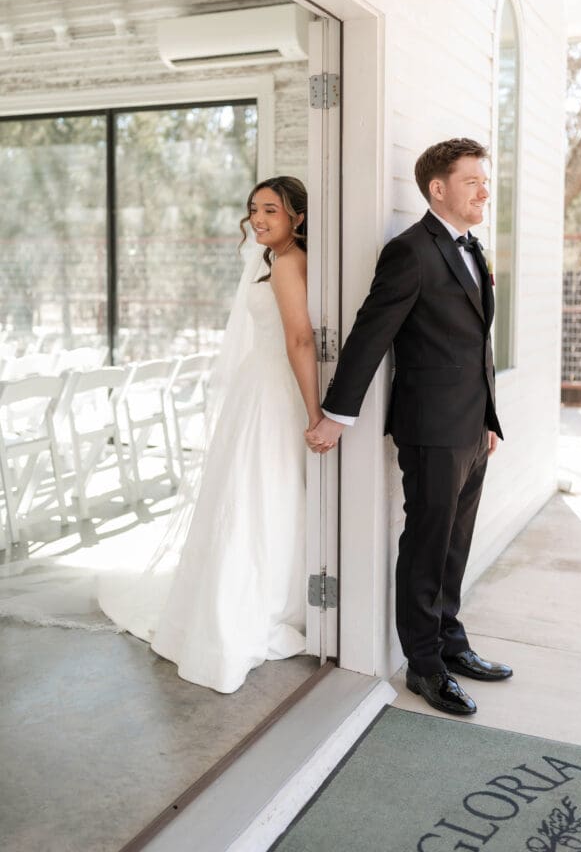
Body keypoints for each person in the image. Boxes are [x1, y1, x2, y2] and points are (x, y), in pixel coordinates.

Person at [305, 138, 512, 715]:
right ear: (438, 188)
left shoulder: (473, 248)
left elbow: (477, 343)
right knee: (427, 545)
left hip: (473, 427)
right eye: (473, 181)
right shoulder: (409, 251)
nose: (484, 191)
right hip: (431, 427)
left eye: (484, 180)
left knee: (455, 546)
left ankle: (451, 644)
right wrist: (337, 414)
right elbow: (372, 333)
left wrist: (490, 419)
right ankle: (424, 667)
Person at [99, 176, 322, 694]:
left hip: (274, 392)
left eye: (271, 209)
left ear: (299, 217)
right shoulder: (274, 260)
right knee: (253, 495)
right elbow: (294, 338)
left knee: (264, 494)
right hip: (262, 392)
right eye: (254, 209)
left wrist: (314, 413)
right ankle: (241, 604)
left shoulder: (288, 263)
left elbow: (301, 338)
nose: (259, 219)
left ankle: (263, 599)